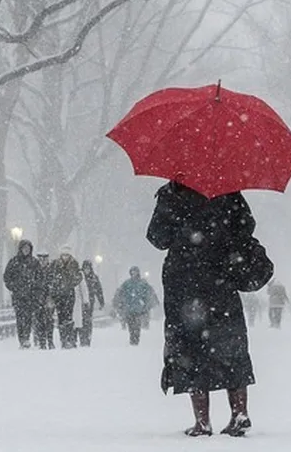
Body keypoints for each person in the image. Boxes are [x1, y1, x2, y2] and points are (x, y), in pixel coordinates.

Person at [147, 181, 273, 438]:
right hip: (221, 281)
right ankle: (239, 413)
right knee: (230, 346)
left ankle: (202, 421)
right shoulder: (228, 190)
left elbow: (158, 238)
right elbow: (246, 228)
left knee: (190, 349)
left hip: (185, 284)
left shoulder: (173, 193)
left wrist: (176, 212)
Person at [3, 239, 43, 348]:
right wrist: (14, 287)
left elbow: (40, 278)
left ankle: (26, 337)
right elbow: (7, 277)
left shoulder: (34, 262)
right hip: (18, 296)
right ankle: (22, 339)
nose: (26, 250)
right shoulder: (14, 262)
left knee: (28, 318)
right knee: (20, 318)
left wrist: (36, 290)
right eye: (24, 248)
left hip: (31, 296)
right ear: (20, 249)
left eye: (28, 248)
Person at [48, 246, 83, 348]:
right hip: (58, 295)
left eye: (67, 255)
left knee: (69, 317)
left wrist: (71, 283)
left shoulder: (74, 264)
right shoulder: (55, 264)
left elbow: (79, 276)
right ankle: (64, 339)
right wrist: (55, 286)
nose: (65, 257)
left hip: (69, 294)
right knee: (61, 317)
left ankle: (69, 338)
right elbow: (50, 277)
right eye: (64, 255)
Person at [112, 266, 156, 346]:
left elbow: (148, 294)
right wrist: (120, 302)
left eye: (135, 272)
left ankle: (136, 339)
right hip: (129, 308)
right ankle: (132, 338)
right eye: (132, 272)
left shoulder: (142, 283)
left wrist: (146, 304)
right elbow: (120, 292)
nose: (133, 274)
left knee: (137, 325)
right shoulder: (127, 283)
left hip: (138, 309)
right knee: (131, 325)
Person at [79, 260, 106, 347]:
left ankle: (87, 338)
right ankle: (82, 338)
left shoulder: (94, 278)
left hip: (90, 302)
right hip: (81, 302)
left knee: (88, 320)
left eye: (88, 268)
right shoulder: (79, 276)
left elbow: (99, 290)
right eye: (85, 268)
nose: (87, 270)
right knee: (81, 321)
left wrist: (101, 301)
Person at [33, 253, 55, 349]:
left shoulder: (51, 271)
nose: (42, 262)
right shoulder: (35, 271)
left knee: (49, 320)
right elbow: (33, 284)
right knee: (39, 321)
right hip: (38, 299)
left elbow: (53, 283)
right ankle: (42, 341)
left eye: (44, 259)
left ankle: (50, 340)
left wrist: (51, 294)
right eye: (41, 260)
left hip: (48, 299)